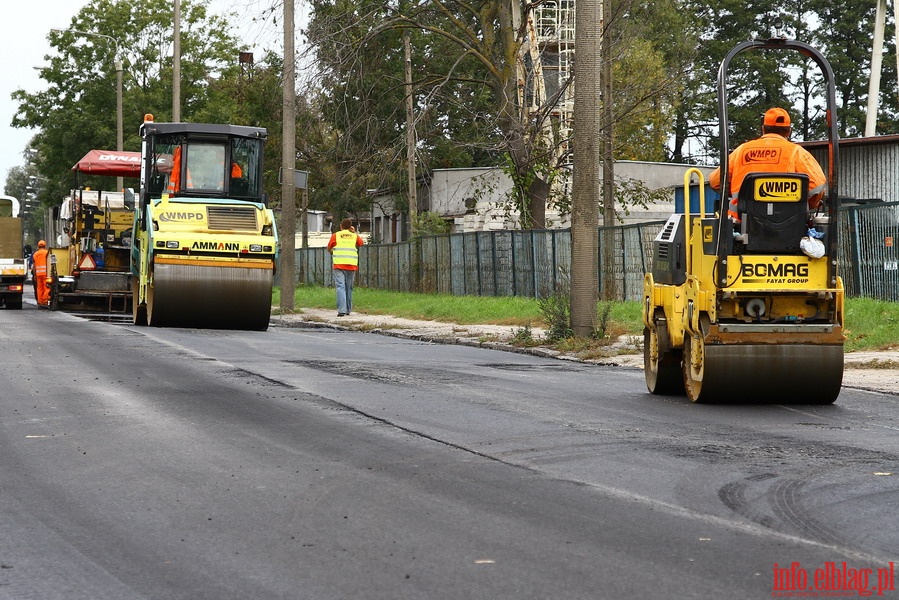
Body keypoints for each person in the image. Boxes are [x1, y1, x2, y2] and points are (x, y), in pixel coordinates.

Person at [709, 107, 827, 223]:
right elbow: (817, 187)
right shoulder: (796, 152)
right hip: (787, 226)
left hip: (742, 225)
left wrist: (742, 193)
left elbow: (715, 181)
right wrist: (805, 203)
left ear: (763, 128)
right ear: (789, 131)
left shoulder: (742, 150)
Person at [327, 218, 364, 316]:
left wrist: (332, 252)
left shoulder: (336, 235)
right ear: (350, 227)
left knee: (340, 286)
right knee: (349, 287)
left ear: (341, 226)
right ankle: (348, 310)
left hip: (339, 264)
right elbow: (361, 243)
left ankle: (341, 310)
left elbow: (329, 248)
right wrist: (354, 232)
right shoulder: (354, 236)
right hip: (351, 265)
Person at [31, 240, 50, 307]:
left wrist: (34, 275)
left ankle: (40, 301)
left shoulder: (35, 254)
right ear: (45, 245)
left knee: (39, 288)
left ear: (38, 246)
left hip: (38, 274)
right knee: (46, 287)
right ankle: (45, 301)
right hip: (46, 273)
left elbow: (34, 266)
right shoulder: (47, 253)